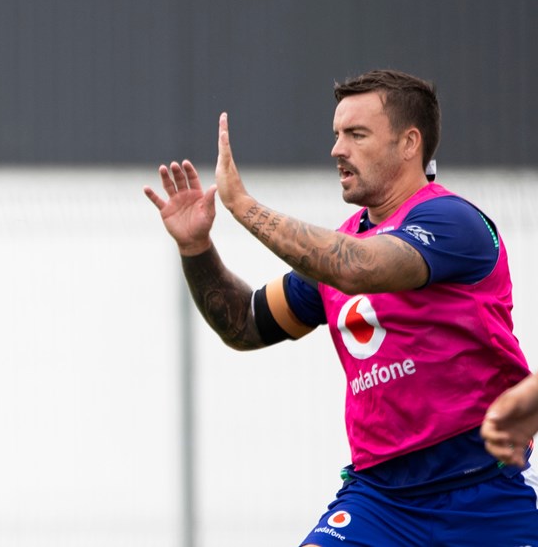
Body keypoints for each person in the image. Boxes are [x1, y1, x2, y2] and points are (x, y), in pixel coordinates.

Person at [144, 69, 536, 546]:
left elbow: (360, 269)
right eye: (336, 135)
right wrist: (196, 248)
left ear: (410, 143)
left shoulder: (452, 221)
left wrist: (244, 206)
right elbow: (245, 323)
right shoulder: (342, 247)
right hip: (380, 502)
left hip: (485, 493)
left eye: (357, 134)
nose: (337, 149)